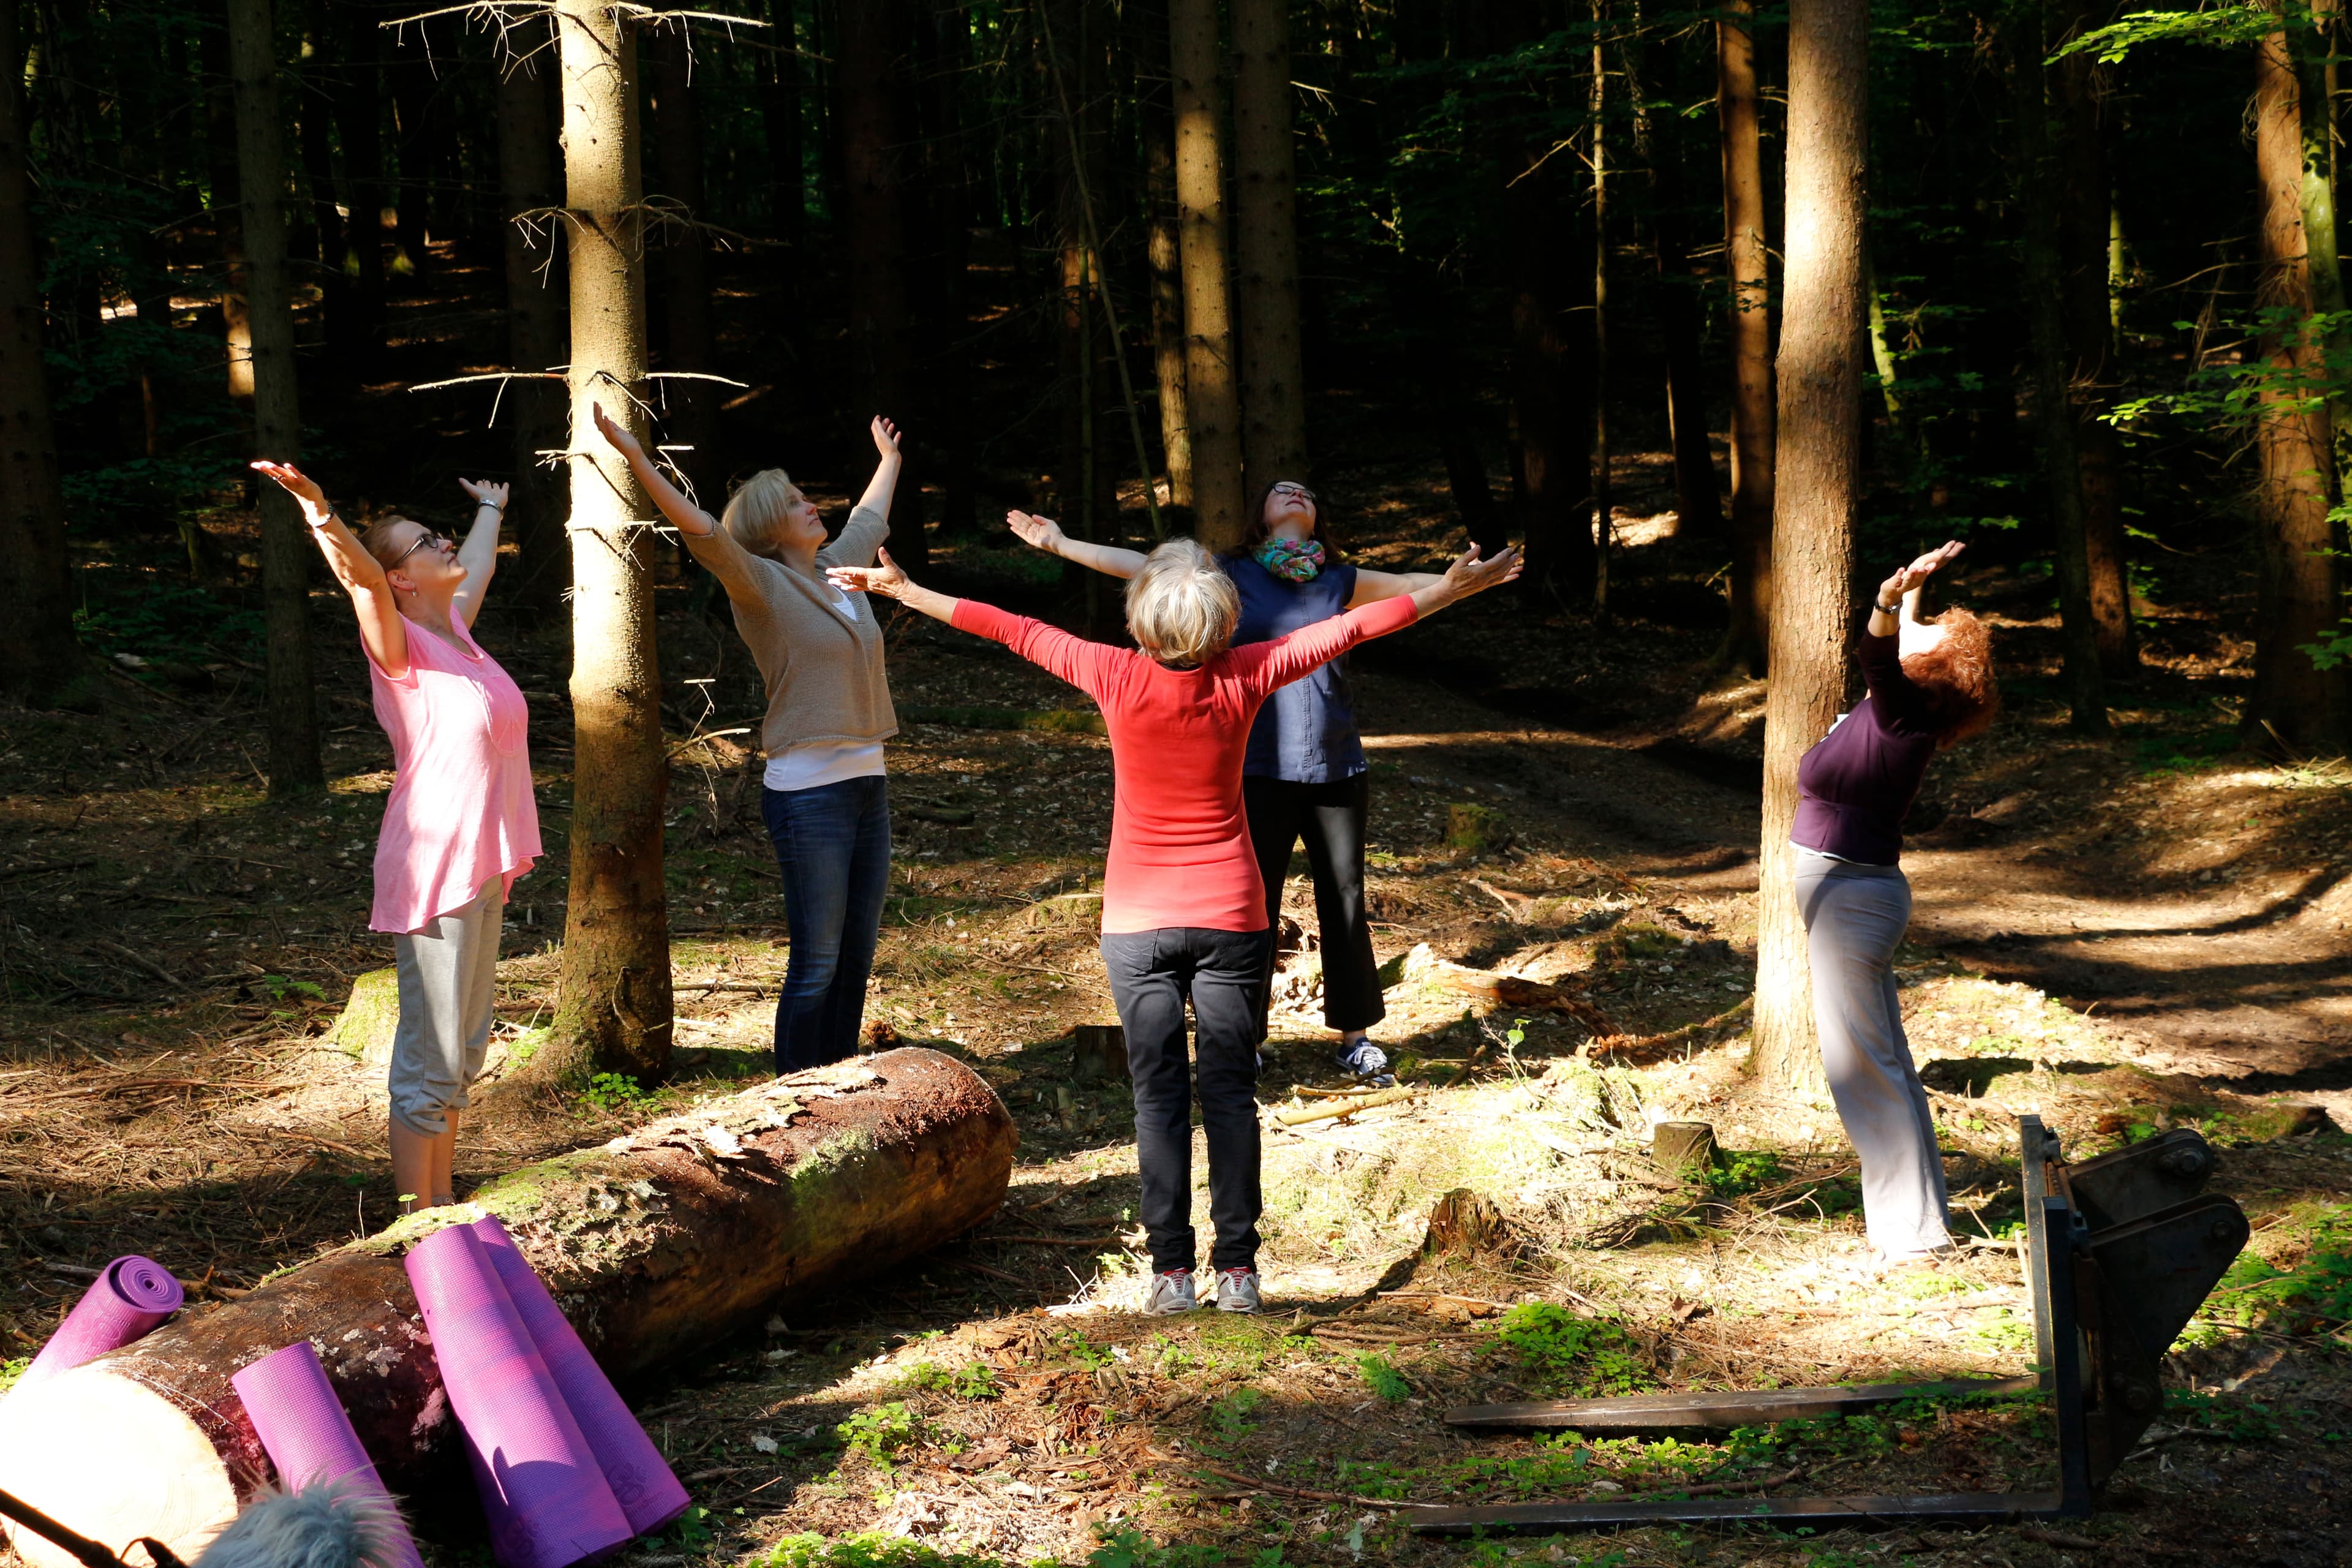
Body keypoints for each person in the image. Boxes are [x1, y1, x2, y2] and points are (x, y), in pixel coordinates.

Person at [829, 532, 1521, 1314]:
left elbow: (1008, 626)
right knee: (1228, 1094)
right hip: (1232, 917)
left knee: (1157, 1098)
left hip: (1136, 925)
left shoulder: (1111, 672)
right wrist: (1452, 588)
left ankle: (1171, 1275)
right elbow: (1356, 626)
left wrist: (903, 591)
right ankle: (1238, 1273)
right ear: (1225, 626)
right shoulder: (1251, 670)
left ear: (1138, 624)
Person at [1009, 481, 1453, 1082]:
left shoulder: (1340, 579)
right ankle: (1247, 1037)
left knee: (1345, 902)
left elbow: (1405, 592)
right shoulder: (1230, 573)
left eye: (1306, 492)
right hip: (1257, 768)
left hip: (1335, 766)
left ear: (1318, 515)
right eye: (1281, 491)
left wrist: (1463, 580)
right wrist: (1061, 544)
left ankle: (1355, 1036)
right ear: (1259, 515)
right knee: (1256, 906)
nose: (1296, 494)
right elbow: (1147, 569)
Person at [252, 460, 538, 1214]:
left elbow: (471, 566)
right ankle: (421, 1224)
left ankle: (445, 1205)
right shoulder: (401, 646)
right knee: (433, 1054)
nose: (443, 546)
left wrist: (489, 512)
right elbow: (360, 581)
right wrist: (320, 510)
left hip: (481, 864)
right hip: (434, 860)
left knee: (465, 1051)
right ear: (401, 580)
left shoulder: (459, 632)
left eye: (439, 536)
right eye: (425, 544)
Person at [590, 405, 903, 1074]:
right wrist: (637, 458)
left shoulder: (839, 567)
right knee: (817, 960)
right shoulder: (759, 583)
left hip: (866, 784)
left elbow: (869, 520)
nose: (810, 505)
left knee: (855, 955)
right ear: (767, 526)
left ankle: (845, 1092)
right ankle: (794, 1096)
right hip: (809, 795)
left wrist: (890, 460)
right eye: (794, 502)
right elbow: (702, 529)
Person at [1792, 540, 1999, 1268]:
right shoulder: (1896, 713)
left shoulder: (1902, 713)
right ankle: (1921, 1223)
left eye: (1929, 630)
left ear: (1933, 667)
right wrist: (1915, 589)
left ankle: (1910, 1238)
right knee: (1887, 1064)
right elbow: (1900, 644)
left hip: (1853, 896)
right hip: (1848, 893)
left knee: (1863, 1067)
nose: (1917, 624)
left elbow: (1882, 652)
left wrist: (1886, 600)